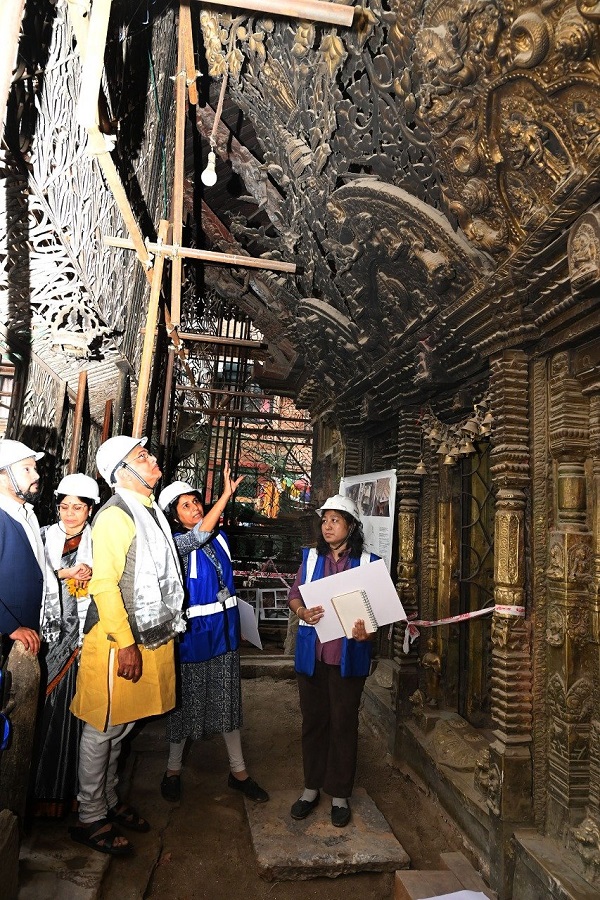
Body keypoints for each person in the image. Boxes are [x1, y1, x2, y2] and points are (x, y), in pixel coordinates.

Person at [70, 436, 185, 856]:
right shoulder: (116, 517)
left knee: (120, 729)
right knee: (101, 729)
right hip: (116, 640)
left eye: (149, 454)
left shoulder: (148, 510)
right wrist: (126, 644)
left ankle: (108, 801)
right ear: (122, 472)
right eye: (143, 456)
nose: (153, 459)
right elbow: (103, 584)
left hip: (140, 636)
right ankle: (88, 816)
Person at [157, 463, 269, 805]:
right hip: (192, 637)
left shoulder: (220, 538)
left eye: (195, 501)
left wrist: (241, 626)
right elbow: (197, 537)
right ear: (174, 517)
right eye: (186, 505)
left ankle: (239, 772)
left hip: (224, 633)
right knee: (185, 705)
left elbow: (226, 586)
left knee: (228, 702)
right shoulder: (176, 544)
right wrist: (226, 496)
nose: (195, 507)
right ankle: (173, 770)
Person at [287, 494, 379, 828]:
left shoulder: (368, 564)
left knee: (343, 723)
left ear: (351, 526)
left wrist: (368, 632)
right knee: (313, 722)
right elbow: (294, 594)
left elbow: (380, 613)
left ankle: (339, 794)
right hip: (313, 656)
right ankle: (310, 788)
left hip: (346, 658)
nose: (327, 526)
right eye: (325, 520)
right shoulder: (312, 559)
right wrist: (301, 611)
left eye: (335, 520)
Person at [32, 473, 99, 817]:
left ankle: (69, 796)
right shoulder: (42, 537)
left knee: (75, 717)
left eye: (77, 507)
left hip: (84, 642)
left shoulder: (99, 542)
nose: (69, 514)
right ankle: (35, 794)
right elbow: (31, 575)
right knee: (43, 712)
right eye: (63, 506)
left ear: (90, 510)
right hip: (48, 640)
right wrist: (66, 574)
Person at [0, 439, 45, 655]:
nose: (36, 476)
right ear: (2, 474)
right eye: (26, 469)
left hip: (27, 635)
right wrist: (9, 625)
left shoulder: (28, 514)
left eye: (34, 468)